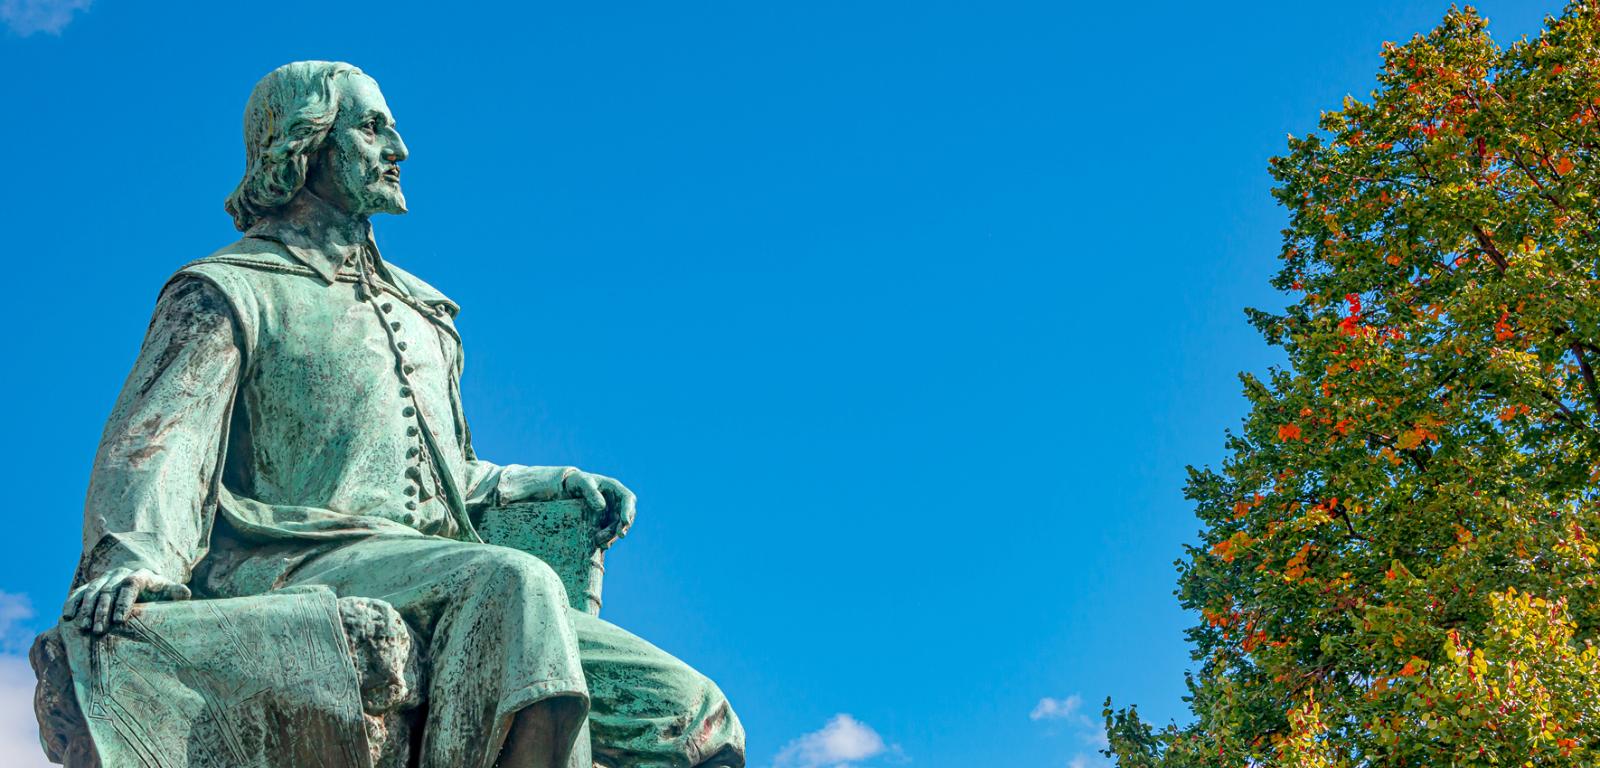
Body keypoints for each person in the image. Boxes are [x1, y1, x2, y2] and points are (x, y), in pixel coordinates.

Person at [60, 60, 744, 768]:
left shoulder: (426, 314)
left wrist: (553, 483)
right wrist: (134, 559)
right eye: (371, 128)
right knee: (512, 584)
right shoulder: (229, 289)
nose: (400, 148)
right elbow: (162, 440)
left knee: (692, 715)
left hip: (440, 565)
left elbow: (448, 475)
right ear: (302, 146)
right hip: (291, 558)